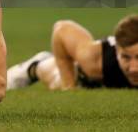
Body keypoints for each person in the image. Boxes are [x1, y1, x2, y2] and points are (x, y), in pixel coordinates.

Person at [7, 16, 138, 90]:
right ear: (117, 50)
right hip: (84, 77)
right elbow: (62, 28)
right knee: (57, 81)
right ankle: (35, 66)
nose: (134, 68)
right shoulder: (95, 59)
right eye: (125, 57)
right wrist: (68, 86)